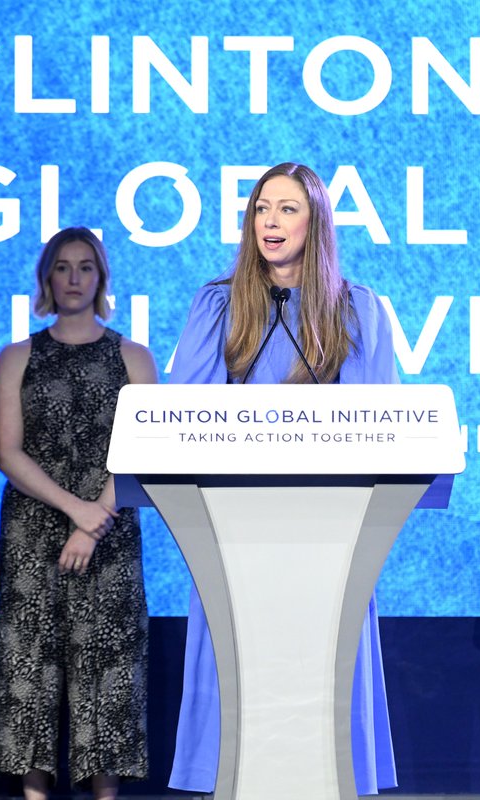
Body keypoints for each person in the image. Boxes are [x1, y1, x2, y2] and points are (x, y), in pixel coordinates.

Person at [168, 162, 400, 794]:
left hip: (329, 533)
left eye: (287, 209)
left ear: (317, 220)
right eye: (262, 208)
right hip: (236, 532)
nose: (270, 221)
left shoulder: (360, 309)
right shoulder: (219, 303)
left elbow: (383, 425)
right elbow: (182, 411)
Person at [0, 227, 158, 800]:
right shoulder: (16, 357)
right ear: (46, 278)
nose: (73, 278)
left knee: (106, 670)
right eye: (62, 267)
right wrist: (75, 512)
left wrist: (97, 518)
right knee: (29, 668)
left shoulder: (134, 357)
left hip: (110, 532)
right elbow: (7, 452)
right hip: (33, 530)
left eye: (85, 267)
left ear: (101, 277)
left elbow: (146, 449)